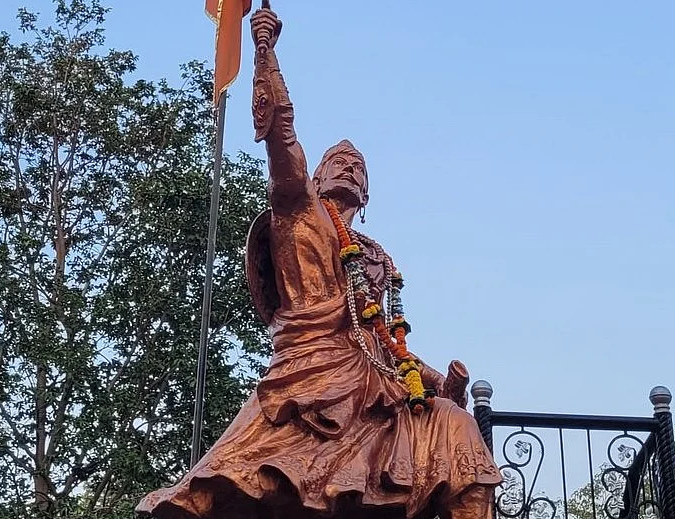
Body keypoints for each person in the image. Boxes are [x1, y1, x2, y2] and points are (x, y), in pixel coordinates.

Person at [135, 6, 500, 519]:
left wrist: (446, 385)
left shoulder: (377, 259)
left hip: (378, 387)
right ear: (320, 176)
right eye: (338, 162)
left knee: (458, 430)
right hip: (310, 374)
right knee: (227, 482)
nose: (349, 166)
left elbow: (385, 345)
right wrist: (266, 54)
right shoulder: (299, 207)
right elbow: (282, 139)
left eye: (359, 167)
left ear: (368, 194)